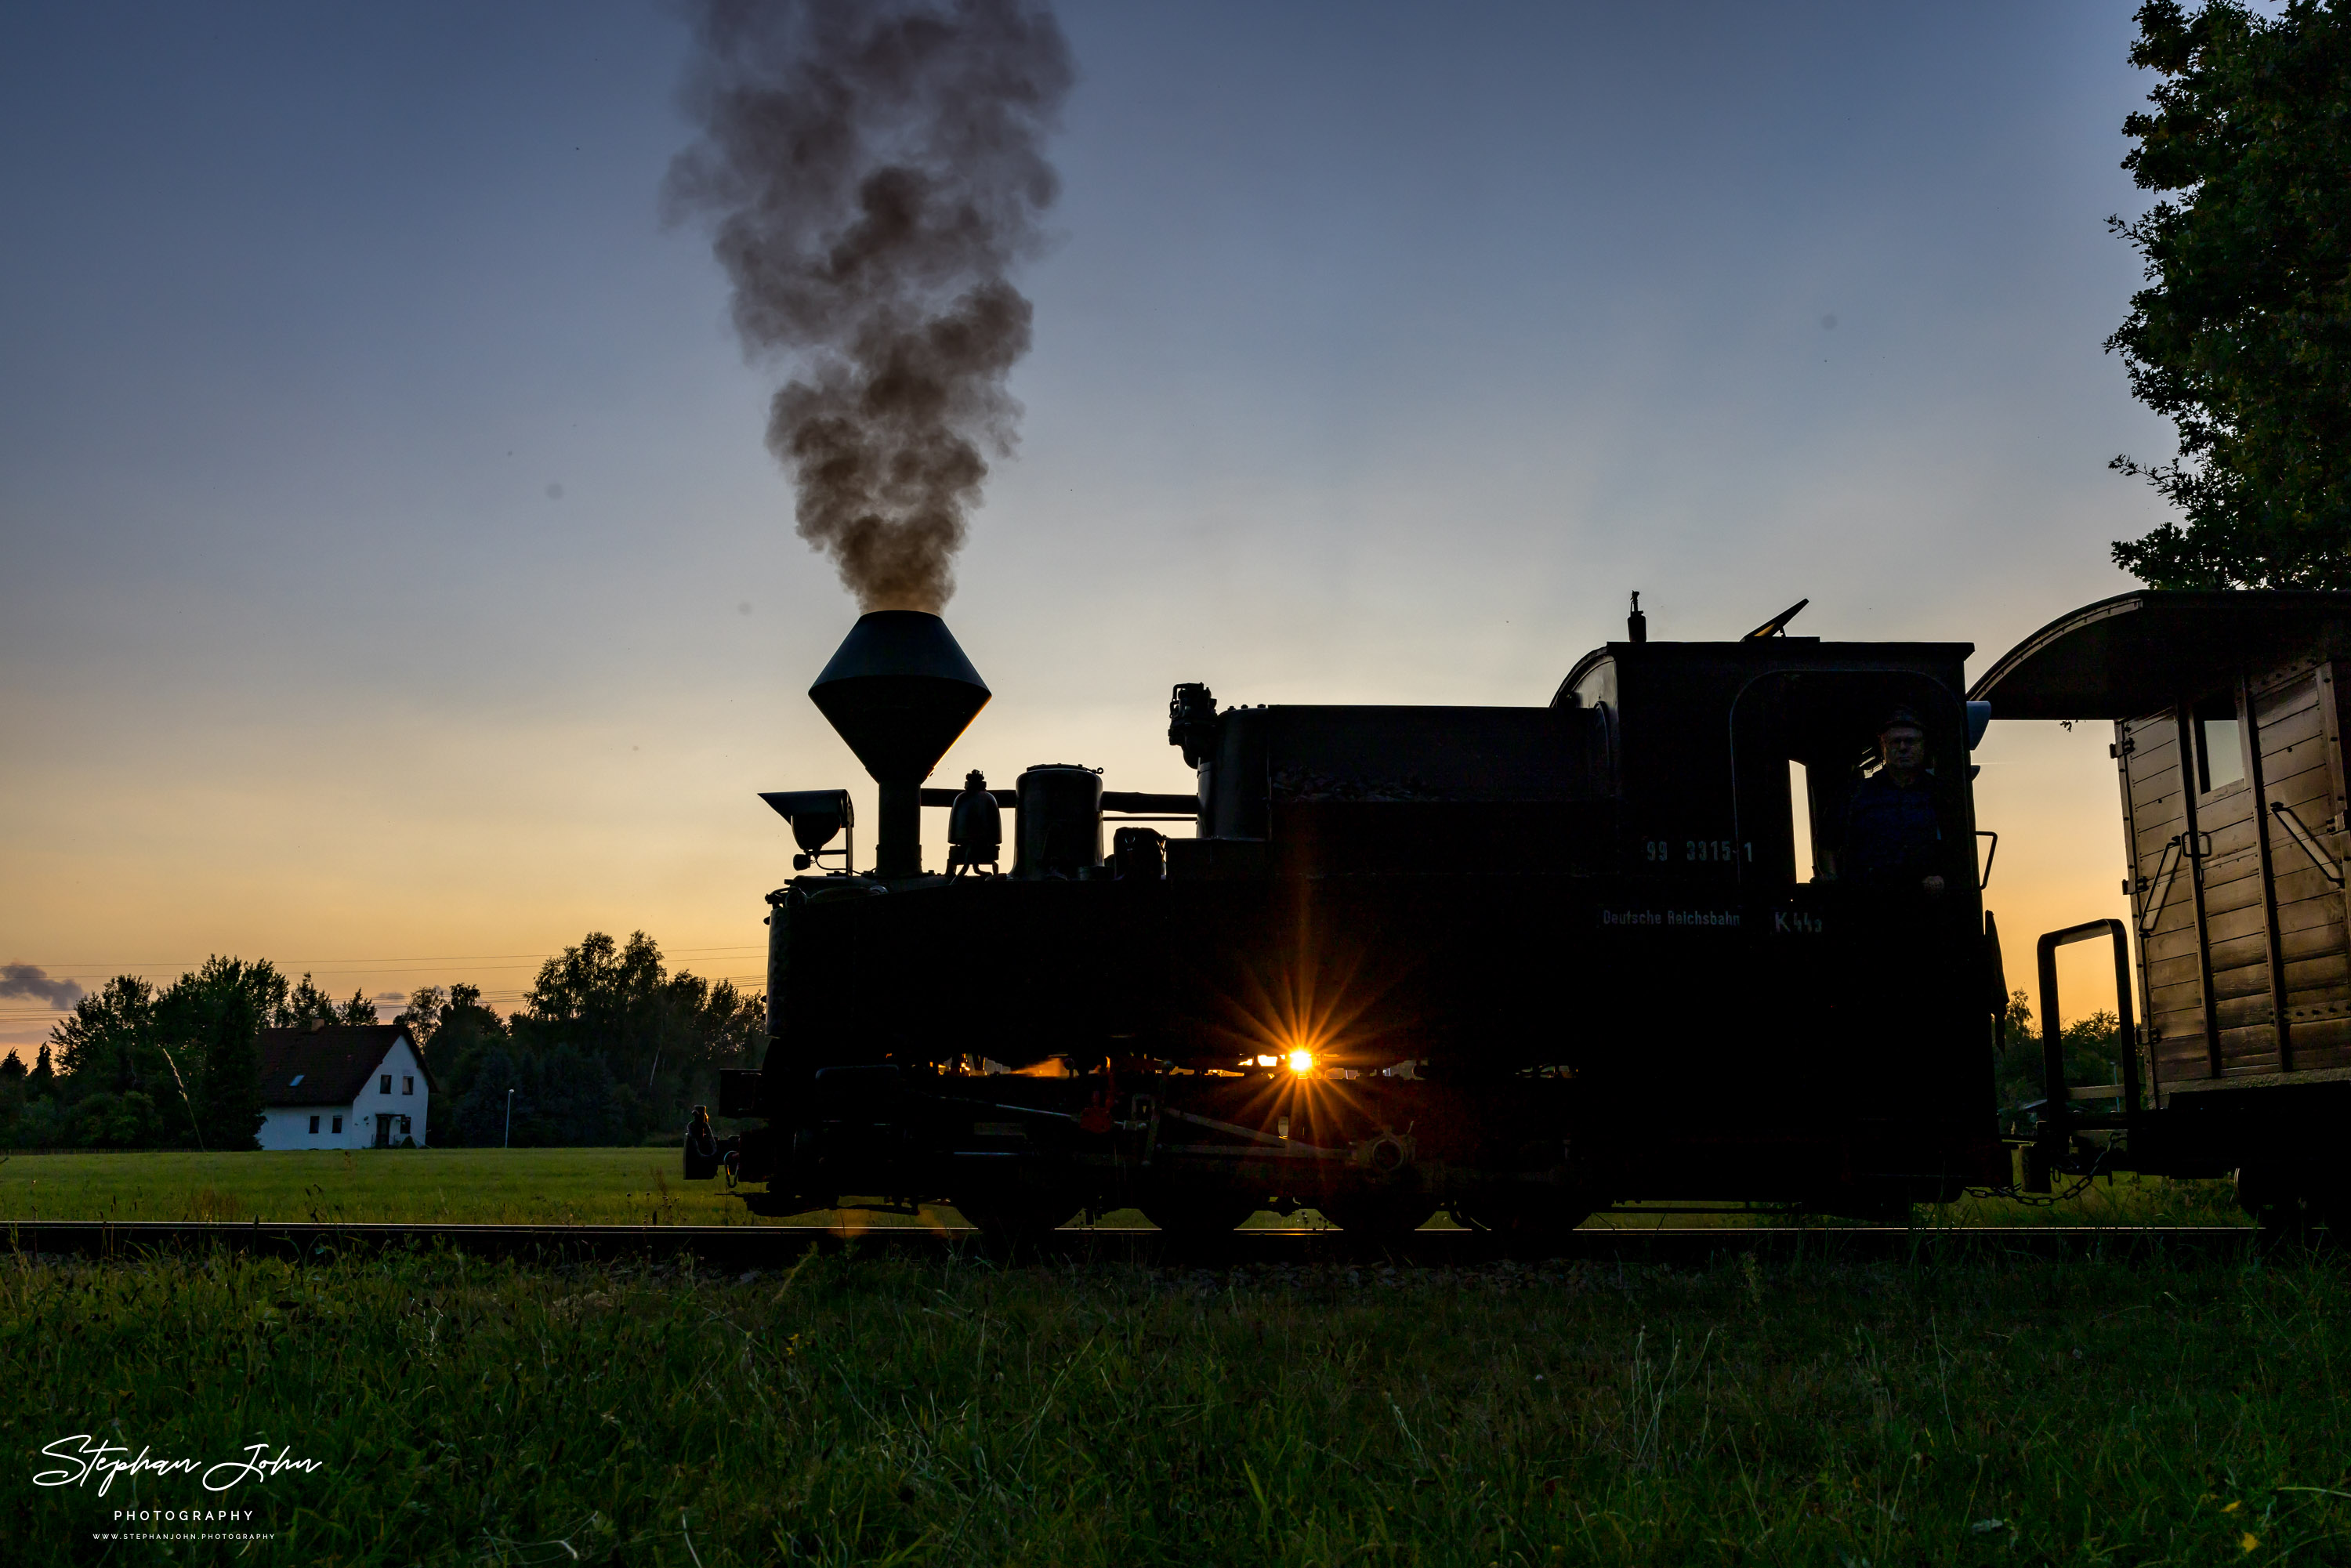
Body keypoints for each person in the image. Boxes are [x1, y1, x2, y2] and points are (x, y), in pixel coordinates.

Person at [1838, 707, 1950, 894]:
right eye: (1895, 742)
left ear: (1923, 746)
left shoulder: (1942, 793)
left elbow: (1957, 844)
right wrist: (1832, 880)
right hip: (1867, 899)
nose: (1903, 747)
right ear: (1883, 748)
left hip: (1927, 900)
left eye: (1910, 741)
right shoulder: (1858, 792)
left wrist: (1941, 875)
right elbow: (1827, 844)